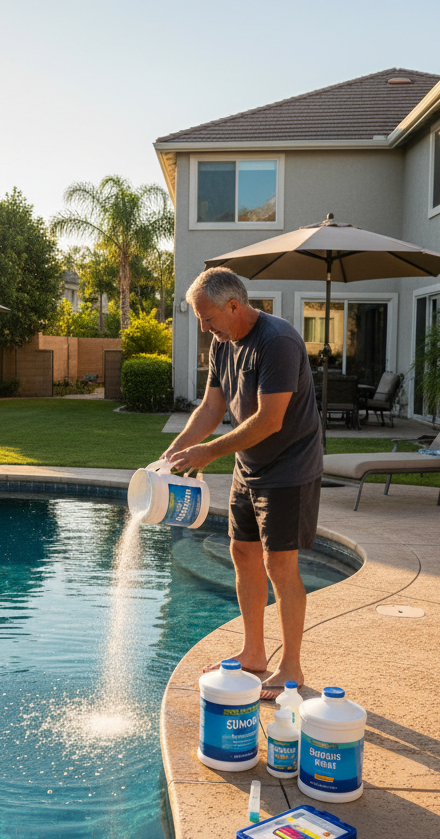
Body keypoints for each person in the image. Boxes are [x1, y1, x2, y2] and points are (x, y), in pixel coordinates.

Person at [162, 267, 323, 700]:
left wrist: (209, 452)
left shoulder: (278, 342)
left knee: (279, 565)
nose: (203, 326)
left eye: (207, 316)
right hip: (249, 466)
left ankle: (291, 667)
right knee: (242, 553)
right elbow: (211, 410)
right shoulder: (222, 343)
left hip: (289, 466)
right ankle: (254, 654)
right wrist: (172, 454)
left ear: (234, 306)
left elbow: (270, 420)